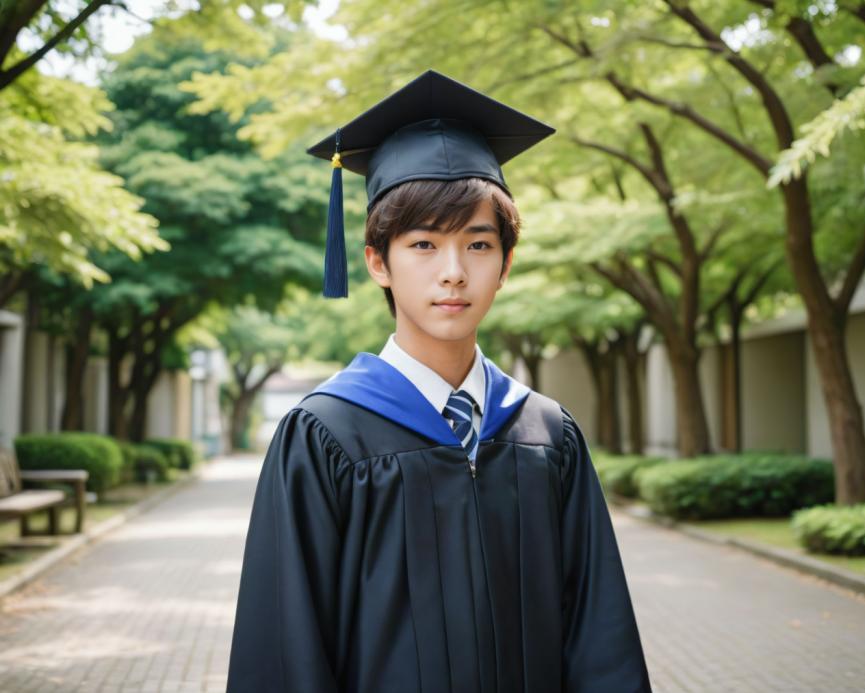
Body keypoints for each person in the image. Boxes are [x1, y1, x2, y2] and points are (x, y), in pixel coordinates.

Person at [226, 69, 652, 693]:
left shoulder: (546, 433)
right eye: (424, 244)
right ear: (377, 262)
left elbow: (599, 631)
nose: (453, 273)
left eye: (478, 246)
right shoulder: (325, 434)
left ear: (505, 265)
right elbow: (288, 644)